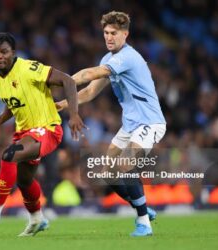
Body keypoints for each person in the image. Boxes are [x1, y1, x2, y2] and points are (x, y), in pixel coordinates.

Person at [57, 11, 166, 236]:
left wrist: (61, 80)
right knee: (108, 173)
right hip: (130, 125)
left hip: (150, 122)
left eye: (114, 33)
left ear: (125, 34)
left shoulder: (128, 57)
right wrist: (62, 104)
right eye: (106, 33)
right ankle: (141, 206)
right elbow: (89, 92)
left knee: (126, 165)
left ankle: (143, 222)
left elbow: (89, 74)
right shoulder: (108, 59)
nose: (109, 37)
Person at [0, 32, 85, 236]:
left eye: (4, 52)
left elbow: (68, 80)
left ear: (13, 53)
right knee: (24, 180)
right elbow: (13, 103)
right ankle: (37, 219)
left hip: (48, 129)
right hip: (24, 132)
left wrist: (74, 114)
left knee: (9, 155)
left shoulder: (29, 68)